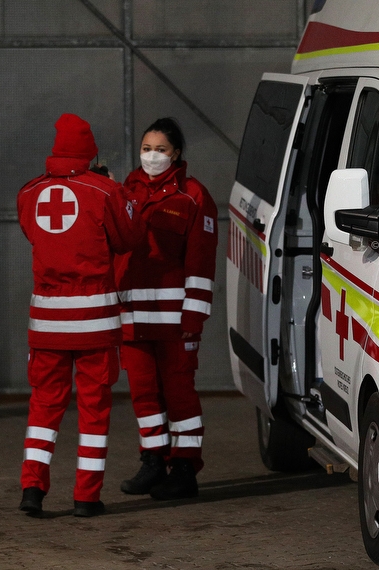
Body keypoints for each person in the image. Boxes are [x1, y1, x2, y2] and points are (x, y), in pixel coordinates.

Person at [16, 113, 143, 517]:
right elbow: (128, 239)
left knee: (43, 408)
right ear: (90, 152)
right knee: (93, 410)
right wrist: (114, 188)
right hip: (94, 326)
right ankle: (86, 498)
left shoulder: (29, 193)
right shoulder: (104, 191)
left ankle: (31, 491)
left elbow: (33, 233)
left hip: (48, 326)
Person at [116, 117, 218, 500]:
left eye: (160, 149)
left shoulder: (193, 196)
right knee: (143, 394)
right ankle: (153, 461)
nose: (152, 156)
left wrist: (194, 316)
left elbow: (201, 262)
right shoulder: (125, 191)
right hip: (133, 318)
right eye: (146, 148)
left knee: (179, 396)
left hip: (176, 320)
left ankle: (185, 468)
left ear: (176, 153)